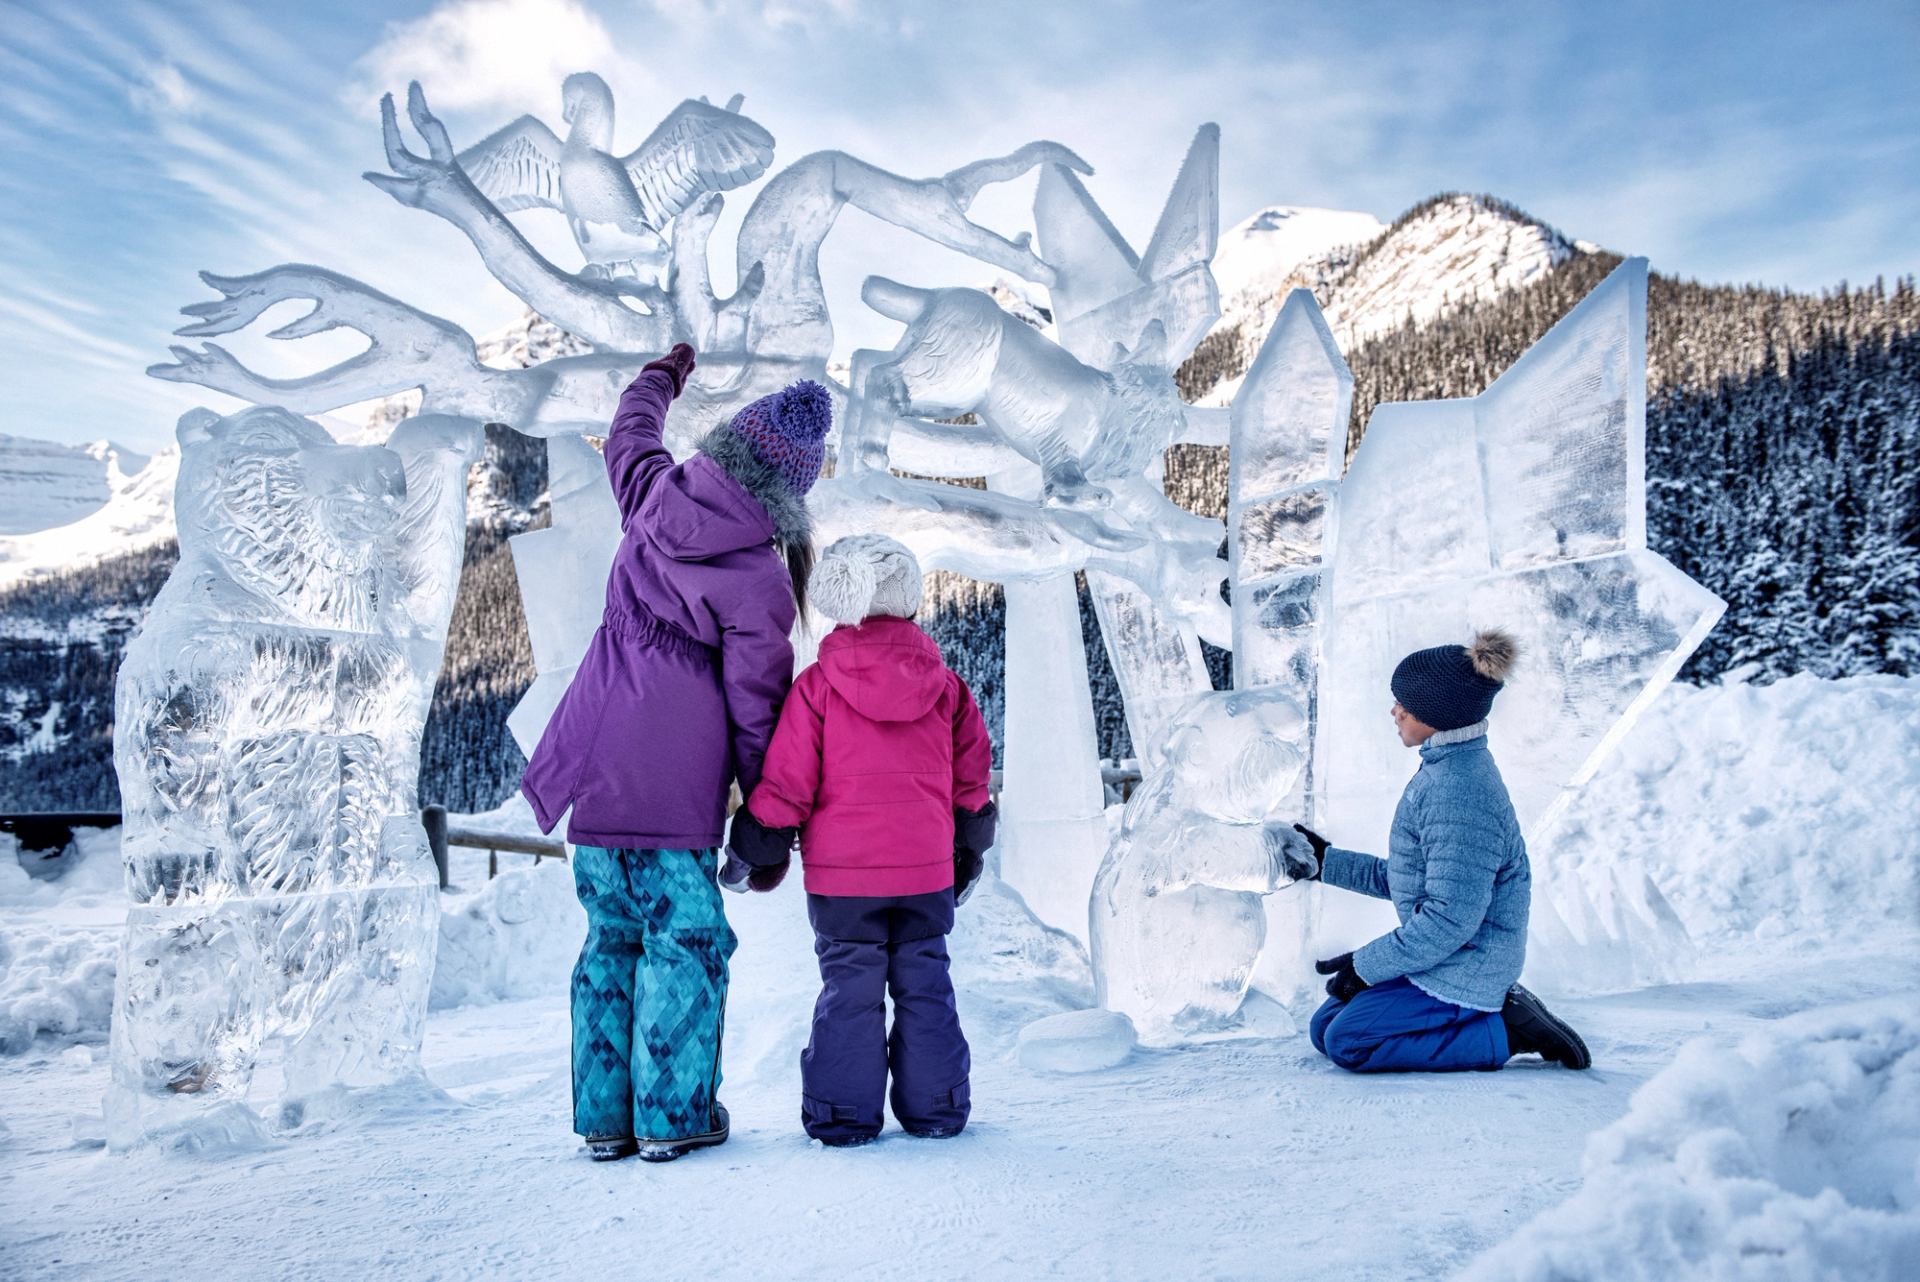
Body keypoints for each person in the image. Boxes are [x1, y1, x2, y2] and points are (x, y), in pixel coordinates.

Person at [520, 343, 829, 1161]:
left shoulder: (653, 495)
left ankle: (604, 1120)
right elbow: (755, 710)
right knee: (684, 940)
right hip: (673, 790)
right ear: (789, 496)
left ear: (724, 448)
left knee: (610, 939)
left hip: (594, 769)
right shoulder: (760, 580)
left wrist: (663, 376)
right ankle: (672, 1114)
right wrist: (765, 820)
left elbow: (630, 429)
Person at [723, 534, 997, 1147]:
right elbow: (972, 779)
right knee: (926, 984)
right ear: (909, 601)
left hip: (844, 883)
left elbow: (787, 783)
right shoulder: (947, 688)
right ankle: (938, 1109)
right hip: (927, 876)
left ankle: (842, 1116)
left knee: (849, 989)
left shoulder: (818, 688)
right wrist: (969, 846)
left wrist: (755, 846)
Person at [1284, 630, 1592, 1073]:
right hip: (1442, 954)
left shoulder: (1460, 791)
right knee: (1326, 1027)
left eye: (1405, 706)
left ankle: (1506, 1030)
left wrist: (1366, 965)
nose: (1395, 712)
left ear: (1438, 715)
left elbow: (1450, 917)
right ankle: (1481, 1021)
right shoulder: (1444, 769)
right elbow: (1418, 882)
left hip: (1467, 965)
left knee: (1349, 1042)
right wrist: (1326, 863)